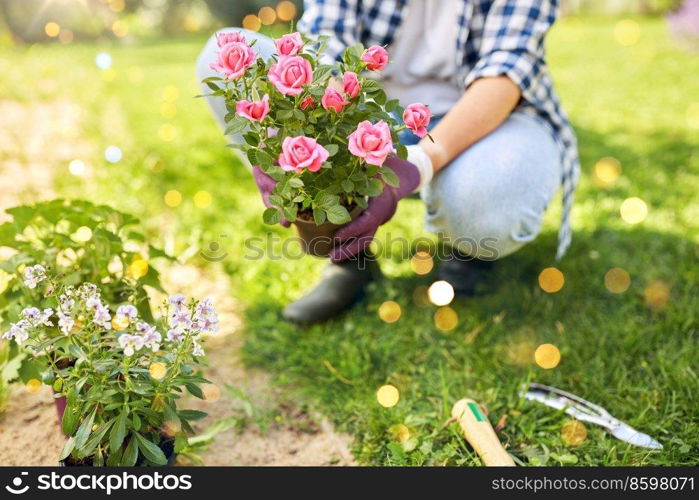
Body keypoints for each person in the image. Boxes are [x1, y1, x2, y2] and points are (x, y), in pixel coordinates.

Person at [196, 0, 579, 324]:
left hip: (491, 116)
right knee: (220, 56)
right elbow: (324, 44)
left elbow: (506, 68)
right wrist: (293, 142)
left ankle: (470, 251)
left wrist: (420, 162)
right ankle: (350, 257)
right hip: (369, 108)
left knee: (487, 207)